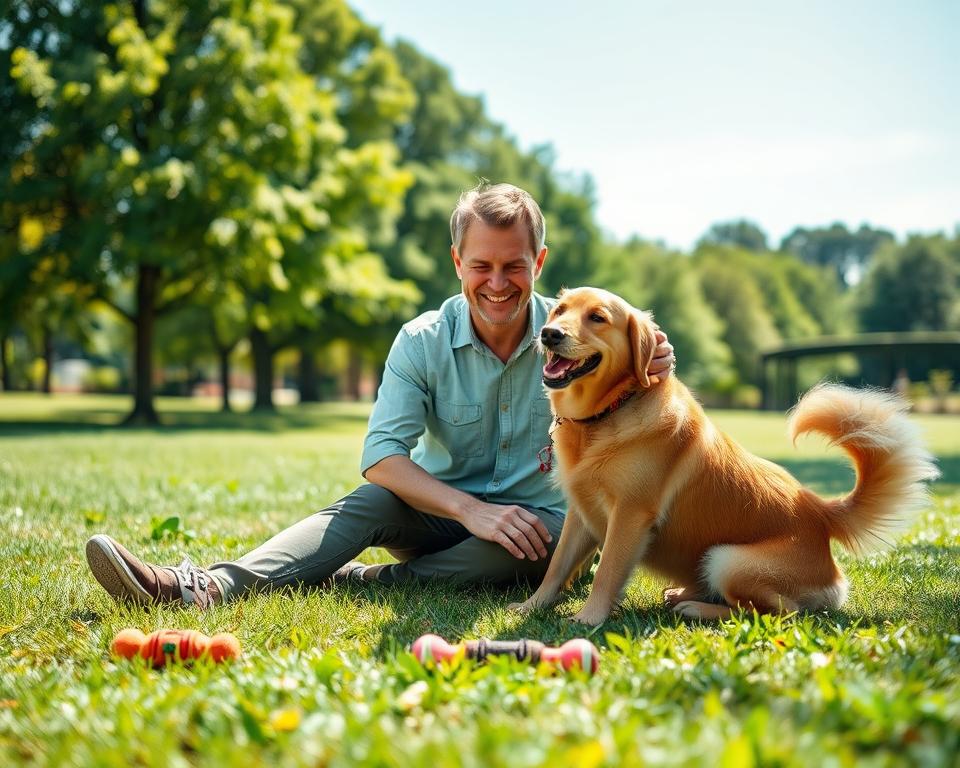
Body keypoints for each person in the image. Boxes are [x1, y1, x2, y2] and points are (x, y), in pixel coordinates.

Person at [85, 183, 675, 609]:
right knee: (371, 500)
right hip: (439, 514)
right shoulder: (422, 340)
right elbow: (381, 457)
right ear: (457, 262)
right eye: (481, 266)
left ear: (538, 262)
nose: (497, 284)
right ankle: (204, 586)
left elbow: (637, 361)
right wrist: (469, 509)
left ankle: (361, 583)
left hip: (535, 532)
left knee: (527, 548)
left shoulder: (573, 335)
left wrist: (655, 359)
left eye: (514, 266)